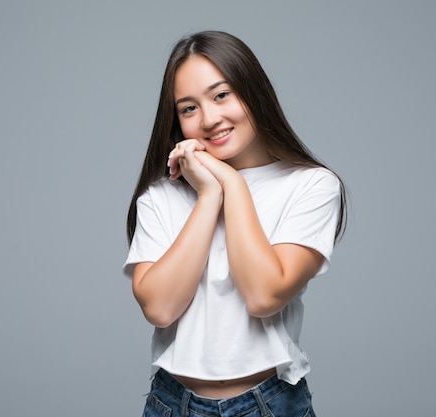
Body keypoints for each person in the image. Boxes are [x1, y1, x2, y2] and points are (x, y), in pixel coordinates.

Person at [123, 30, 346, 417]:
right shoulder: (162, 195)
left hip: (270, 404)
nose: (210, 118)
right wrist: (209, 196)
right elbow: (160, 308)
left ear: (253, 90)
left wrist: (231, 184)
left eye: (221, 94)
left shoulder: (312, 185)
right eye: (188, 108)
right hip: (173, 404)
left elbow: (264, 295)